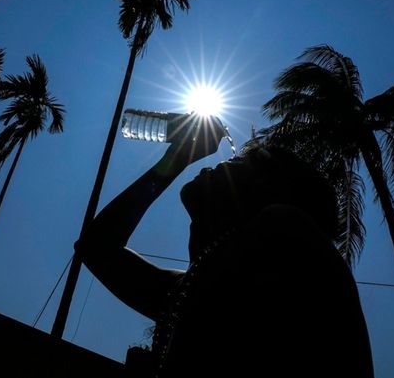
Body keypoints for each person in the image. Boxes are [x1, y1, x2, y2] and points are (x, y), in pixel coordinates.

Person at [75, 115, 374, 377]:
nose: (217, 165)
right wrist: (173, 161)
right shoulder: (188, 287)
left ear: (265, 188)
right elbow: (96, 247)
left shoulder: (289, 232)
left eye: (235, 162)